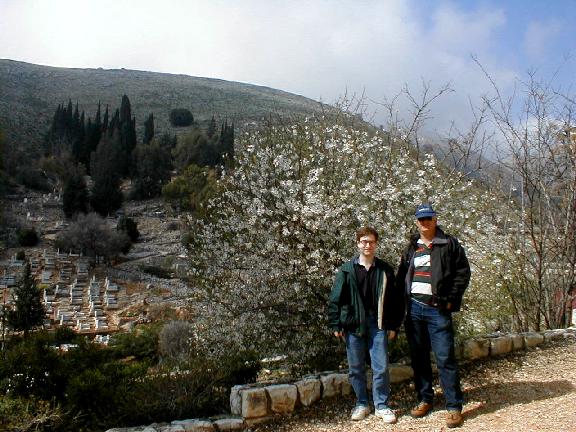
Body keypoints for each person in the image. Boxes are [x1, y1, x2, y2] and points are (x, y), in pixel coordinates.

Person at [397, 204, 471, 428]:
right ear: (416, 222)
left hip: (437, 309)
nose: (425, 222)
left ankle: (453, 407)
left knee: (445, 357)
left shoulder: (449, 244)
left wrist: (450, 298)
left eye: (429, 218)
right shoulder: (412, 246)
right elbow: (402, 276)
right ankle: (425, 398)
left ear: (435, 219)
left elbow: (463, 272)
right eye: (421, 219)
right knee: (419, 358)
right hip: (414, 310)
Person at [328, 226, 404, 423]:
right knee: (356, 368)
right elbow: (336, 298)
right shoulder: (347, 270)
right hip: (354, 324)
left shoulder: (385, 270)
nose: (367, 245)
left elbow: (395, 300)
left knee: (381, 366)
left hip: (378, 323)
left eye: (370, 241)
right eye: (363, 241)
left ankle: (382, 405)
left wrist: (394, 325)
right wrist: (336, 324)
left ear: (376, 244)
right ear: (358, 244)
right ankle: (362, 403)